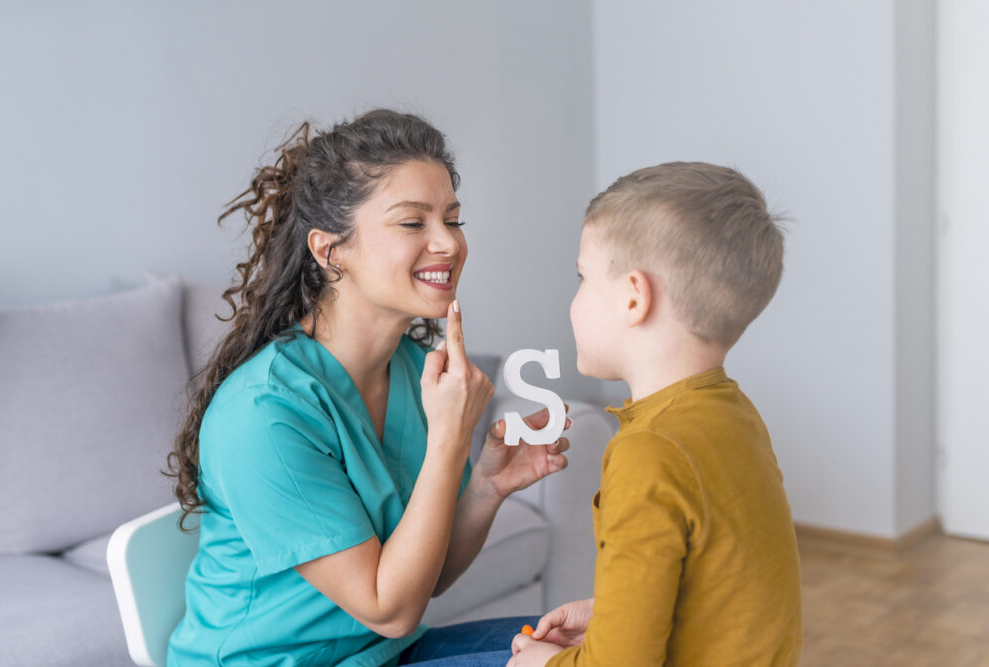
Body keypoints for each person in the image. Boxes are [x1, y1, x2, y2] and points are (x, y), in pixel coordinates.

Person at [165, 109, 570, 666]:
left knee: (592, 647)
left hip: (379, 653)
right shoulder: (264, 413)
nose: (448, 243)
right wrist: (451, 441)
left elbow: (424, 575)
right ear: (331, 251)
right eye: (413, 223)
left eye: (453, 220)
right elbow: (391, 606)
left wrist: (488, 485)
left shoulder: (410, 371)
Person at [508, 162, 802, 666]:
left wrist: (542, 663)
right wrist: (612, 614)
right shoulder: (735, 415)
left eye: (582, 277)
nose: (574, 298)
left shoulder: (648, 453)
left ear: (633, 297)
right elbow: (720, 589)